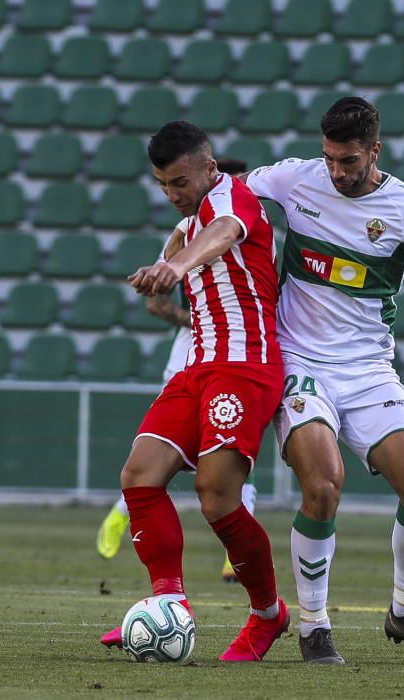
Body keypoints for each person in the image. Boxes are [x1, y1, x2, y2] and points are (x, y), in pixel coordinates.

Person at [240, 96, 404, 665]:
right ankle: (314, 626)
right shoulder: (297, 179)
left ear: (375, 150)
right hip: (299, 361)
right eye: (330, 160)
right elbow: (231, 191)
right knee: (322, 485)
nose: (337, 173)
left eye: (349, 161)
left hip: (369, 369)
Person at [99, 121, 289, 662]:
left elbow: (226, 232)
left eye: (180, 181)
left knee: (216, 496)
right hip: (198, 366)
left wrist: (175, 264)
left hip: (245, 366)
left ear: (210, 168)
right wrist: (167, 257)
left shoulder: (236, 197)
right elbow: (188, 239)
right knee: (139, 476)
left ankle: (267, 615)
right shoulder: (191, 221)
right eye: (163, 185)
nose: (172, 194)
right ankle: (168, 606)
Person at [95, 159, 258, 584]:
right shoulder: (190, 231)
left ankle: (235, 568)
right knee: (168, 461)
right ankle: (122, 515)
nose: (235, 193)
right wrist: (202, 319)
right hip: (194, 357)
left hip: (237, 358)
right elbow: (156, 301)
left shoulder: (251, 228)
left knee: (227, 467)